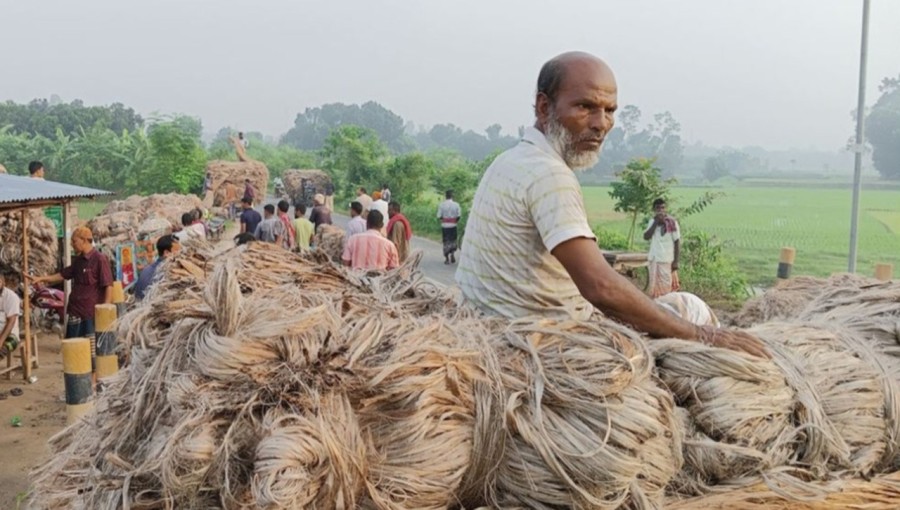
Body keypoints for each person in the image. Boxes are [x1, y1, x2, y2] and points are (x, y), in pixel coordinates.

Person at [455, 51, 767, 359]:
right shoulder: (549, 175)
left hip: (493, 326)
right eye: (585, 107)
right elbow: (600, 287)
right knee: (691, 308)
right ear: (544, 106)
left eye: (609, 110)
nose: (601, 123)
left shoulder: (510, 160)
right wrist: (704, 335)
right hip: (543, 342)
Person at [30, 227, 113, 338]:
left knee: (89, 350)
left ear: (84, 240)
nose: (72, 244)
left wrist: (105, 309)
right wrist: (41, 279)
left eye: (74, 241)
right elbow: (62, 275)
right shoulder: (78, 261)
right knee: (73, 349)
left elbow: (108, 285)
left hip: (90, 314)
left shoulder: (100, 259)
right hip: (75, 311)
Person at [643, 198, 681, 298]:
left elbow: (677, 242)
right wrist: (656, 222)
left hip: (666, 260)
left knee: (666, 287)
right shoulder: (652, 221)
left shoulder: (672, 223)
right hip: (654, 259)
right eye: (658, 208)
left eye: (662, 208)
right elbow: (646, 236)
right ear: (654, 209)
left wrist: (676, 262)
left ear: (666, 209)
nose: (660, 210)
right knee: (653, 288)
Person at [133, 235, 180, 301]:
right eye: (178, 251)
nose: (180, 254)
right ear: (166, 253)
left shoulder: (147, 269)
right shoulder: (165, 274)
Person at [0, 273, 22, 360]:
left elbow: (11, 322)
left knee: (3, 349)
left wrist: (1, 341)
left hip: (10, 334)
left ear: (3, 283)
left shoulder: (11, 297)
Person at [437, 190, 462, 264]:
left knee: (446, 241)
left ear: (446, 196)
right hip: (453, 225)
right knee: (453, 240)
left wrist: (445, 220)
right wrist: (454, 221)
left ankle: (447, 258)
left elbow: (439, 216)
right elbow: (458, 215)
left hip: (445, 226)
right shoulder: (456, 204)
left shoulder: (442, 205)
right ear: (452, 196)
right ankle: (452, 254)